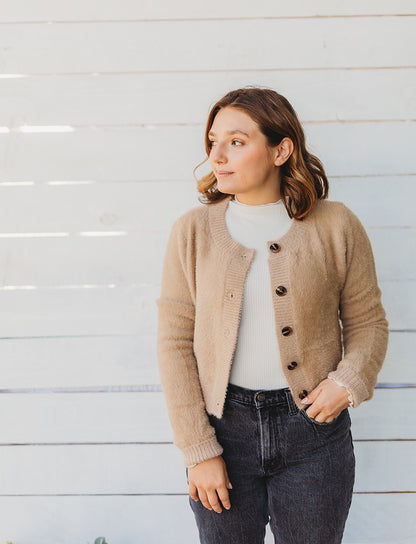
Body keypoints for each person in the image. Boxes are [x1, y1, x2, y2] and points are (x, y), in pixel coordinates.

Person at [156, 86, 389, 544]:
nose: (217, 156)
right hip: (224, 432)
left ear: (282, 149)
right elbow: (174, 344)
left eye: (236, 142)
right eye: (213, 141)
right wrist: (199, 450)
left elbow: (368, 322)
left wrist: (349, 381)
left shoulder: (337, 224)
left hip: (315, 438)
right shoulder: (192, 232)